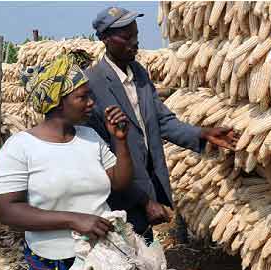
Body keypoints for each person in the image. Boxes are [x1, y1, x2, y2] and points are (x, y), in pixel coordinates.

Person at [86, 7, 239, 241]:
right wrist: (144, 201)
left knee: (145, 251)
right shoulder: (92, 85)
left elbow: (162, 120)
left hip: (148, 180)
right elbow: (100, 158)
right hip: (120, 195)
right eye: (127, 38)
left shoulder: (138, 73)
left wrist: (202, 133)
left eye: (136, 35)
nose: (135, 43)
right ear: (105, 39)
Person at [0, 51, 134, 270]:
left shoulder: (90, 136)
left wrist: (121, 141)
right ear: (57, 102)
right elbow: (8, 211)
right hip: (53, 259)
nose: (91, 103)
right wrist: (73, 219)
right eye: (82, 97)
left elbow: (120, 183)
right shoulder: (20, 147)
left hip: (102, 253)